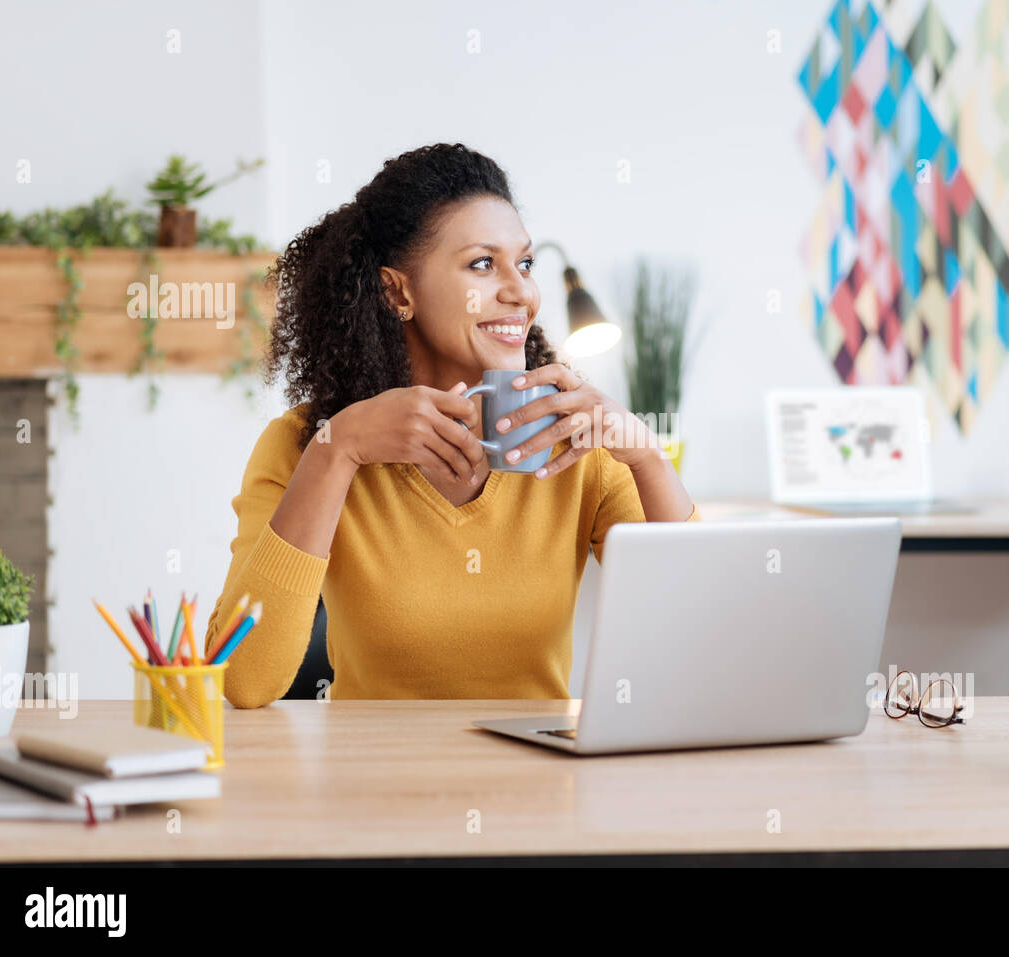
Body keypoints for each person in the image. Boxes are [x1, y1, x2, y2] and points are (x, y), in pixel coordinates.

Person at [204, 143, 700, 708]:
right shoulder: (307, 443)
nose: (522, 293)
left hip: (542, 783)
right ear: (398, 292)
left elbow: (699, 641)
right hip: (372, 785)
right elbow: (242, 680)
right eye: (483, 264)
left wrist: (647, 458)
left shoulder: (579, 441)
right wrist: (336, 452)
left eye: (526, 264)